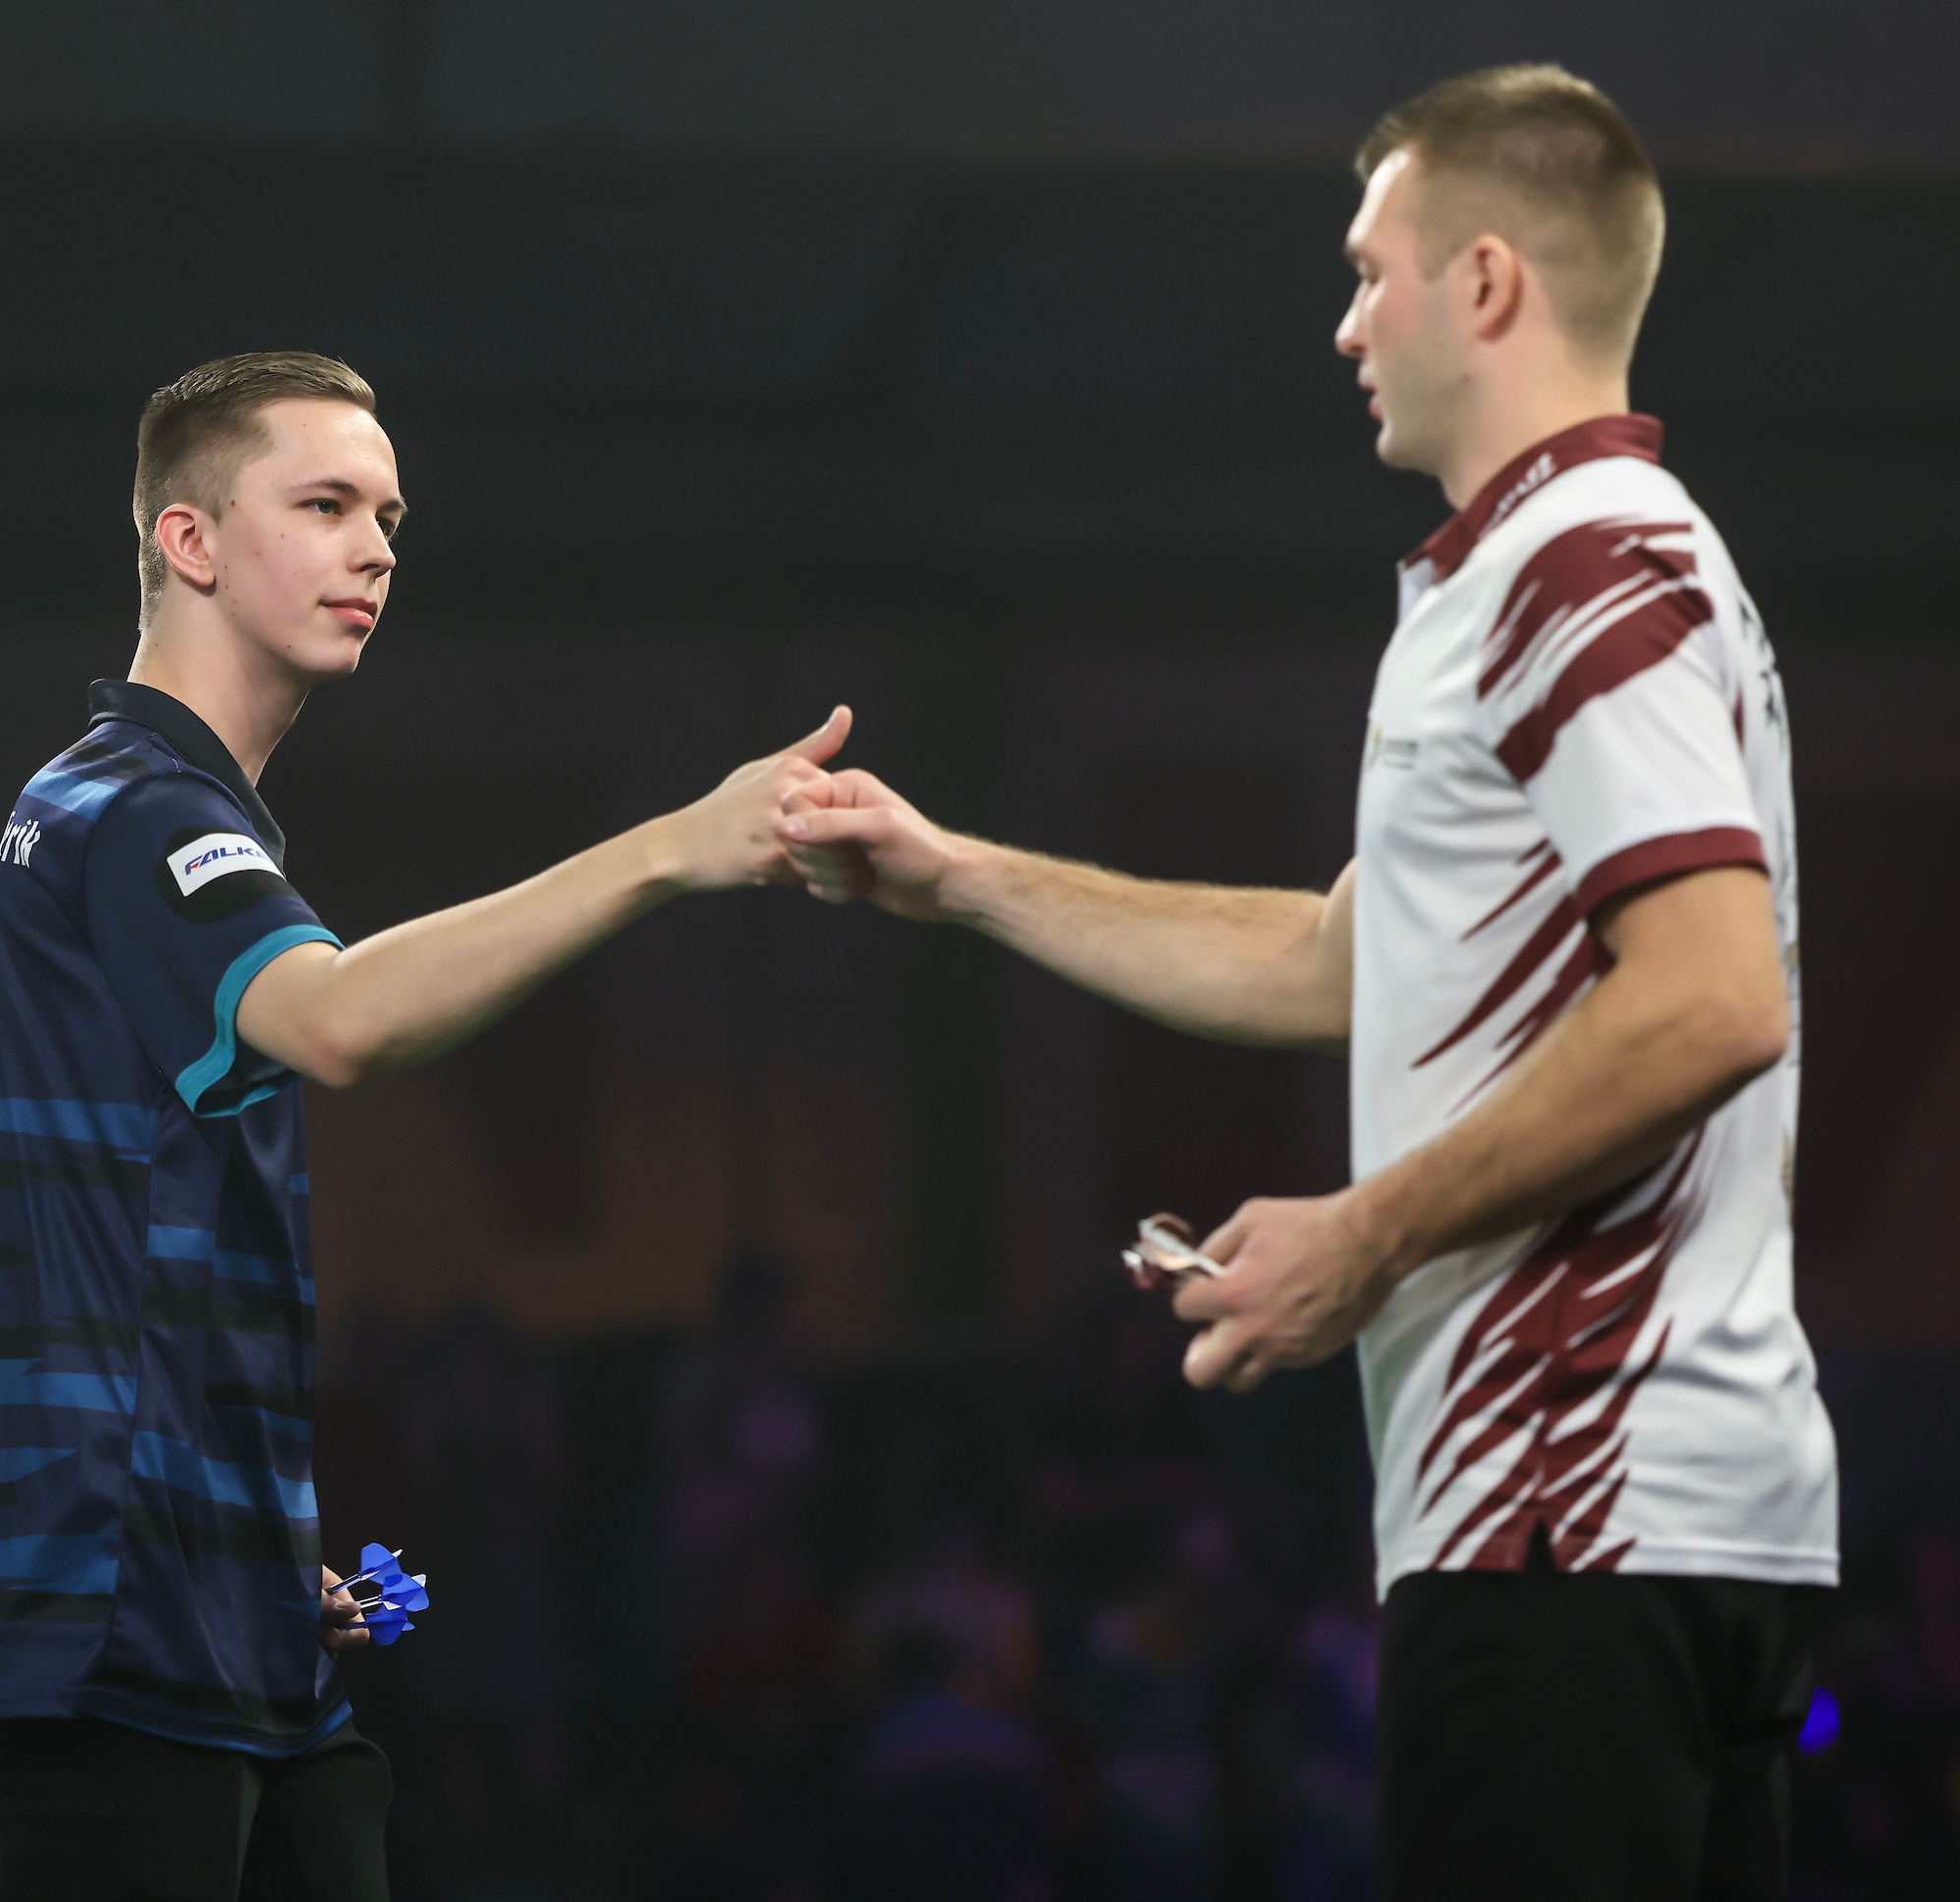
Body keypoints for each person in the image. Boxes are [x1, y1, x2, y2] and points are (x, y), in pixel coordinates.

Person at [781, 66, 1836, 1901]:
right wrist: (960, 879)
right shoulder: (1547, 569)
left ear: (1486, 282)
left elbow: (1712, 997)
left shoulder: (1585, 559)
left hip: (1569, 1515)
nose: (1347, 325)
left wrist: (1365, 1236)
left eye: (1371, 272)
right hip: (1642, 1523)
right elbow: (1342, 958)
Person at [0, 350, 849, 1900]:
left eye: (389, 517)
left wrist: (228, 1527)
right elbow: (339, 1018)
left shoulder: (93, 815)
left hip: (221, 1618)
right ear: (190, 541)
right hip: (119, 1627)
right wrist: (672, 850)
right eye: (326, 505)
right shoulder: (142, 812)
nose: (376, 549)